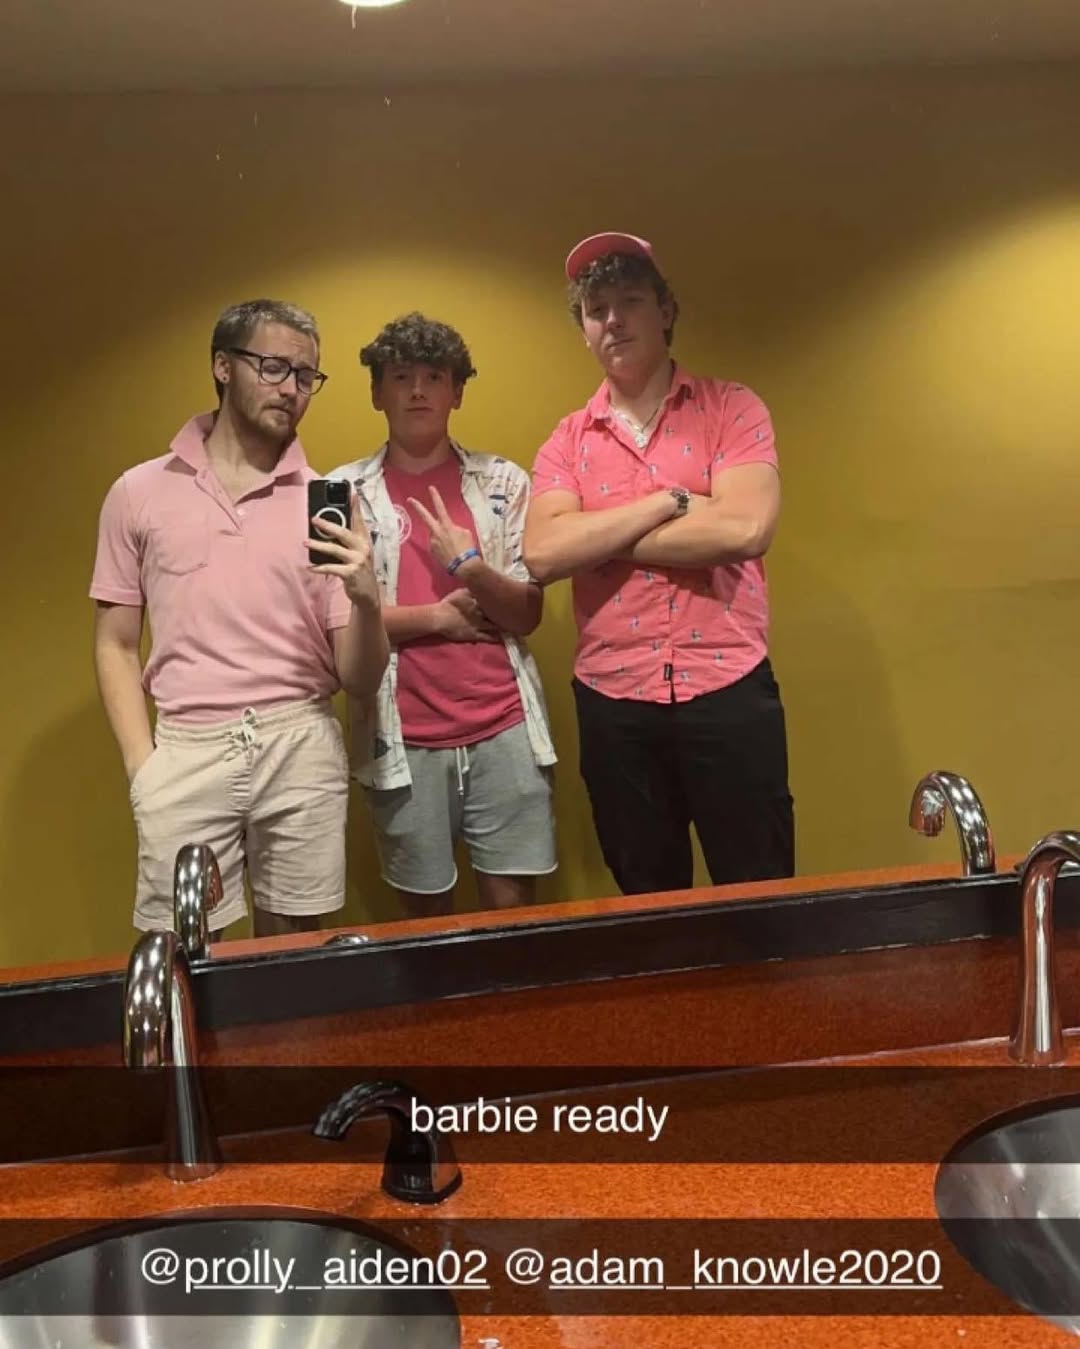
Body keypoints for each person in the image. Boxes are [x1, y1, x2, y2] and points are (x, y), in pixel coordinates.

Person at [90, 298, 388, 937]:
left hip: (300, 740)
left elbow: (360, 679)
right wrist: (143, 768)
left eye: (306, 376)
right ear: (223, 366)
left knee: (295, 955)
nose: (292, 389)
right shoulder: (138, 492)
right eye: (274, 367)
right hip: (186, 748)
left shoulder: (327, 501)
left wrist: (367, 600)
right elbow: (115, 643)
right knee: (185, 949)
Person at [524, 232, 794, 896]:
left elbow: (745, 528)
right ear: (584, 330)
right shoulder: (566, 441)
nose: (613, 320)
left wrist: (596, 533)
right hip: (614, 702)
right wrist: (668, 503)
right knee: (646, 905)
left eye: (630, 301)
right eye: (596, 310)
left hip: (728, 686)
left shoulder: (732, 408)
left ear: (666, 310)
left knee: (760, 894)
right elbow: (543, 554)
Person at [329, 312, 557, 918]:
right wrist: (436, 617)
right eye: (401, 376)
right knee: (427, 926)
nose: (418, 391)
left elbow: (527, 612)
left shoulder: (503, 482)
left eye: (434, 377)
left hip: (505, 727)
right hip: (401, 737)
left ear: (457, 391)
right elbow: (331, 630)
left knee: (512, 921)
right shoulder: (339, 493)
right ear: (377, 393)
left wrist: (471, 568)